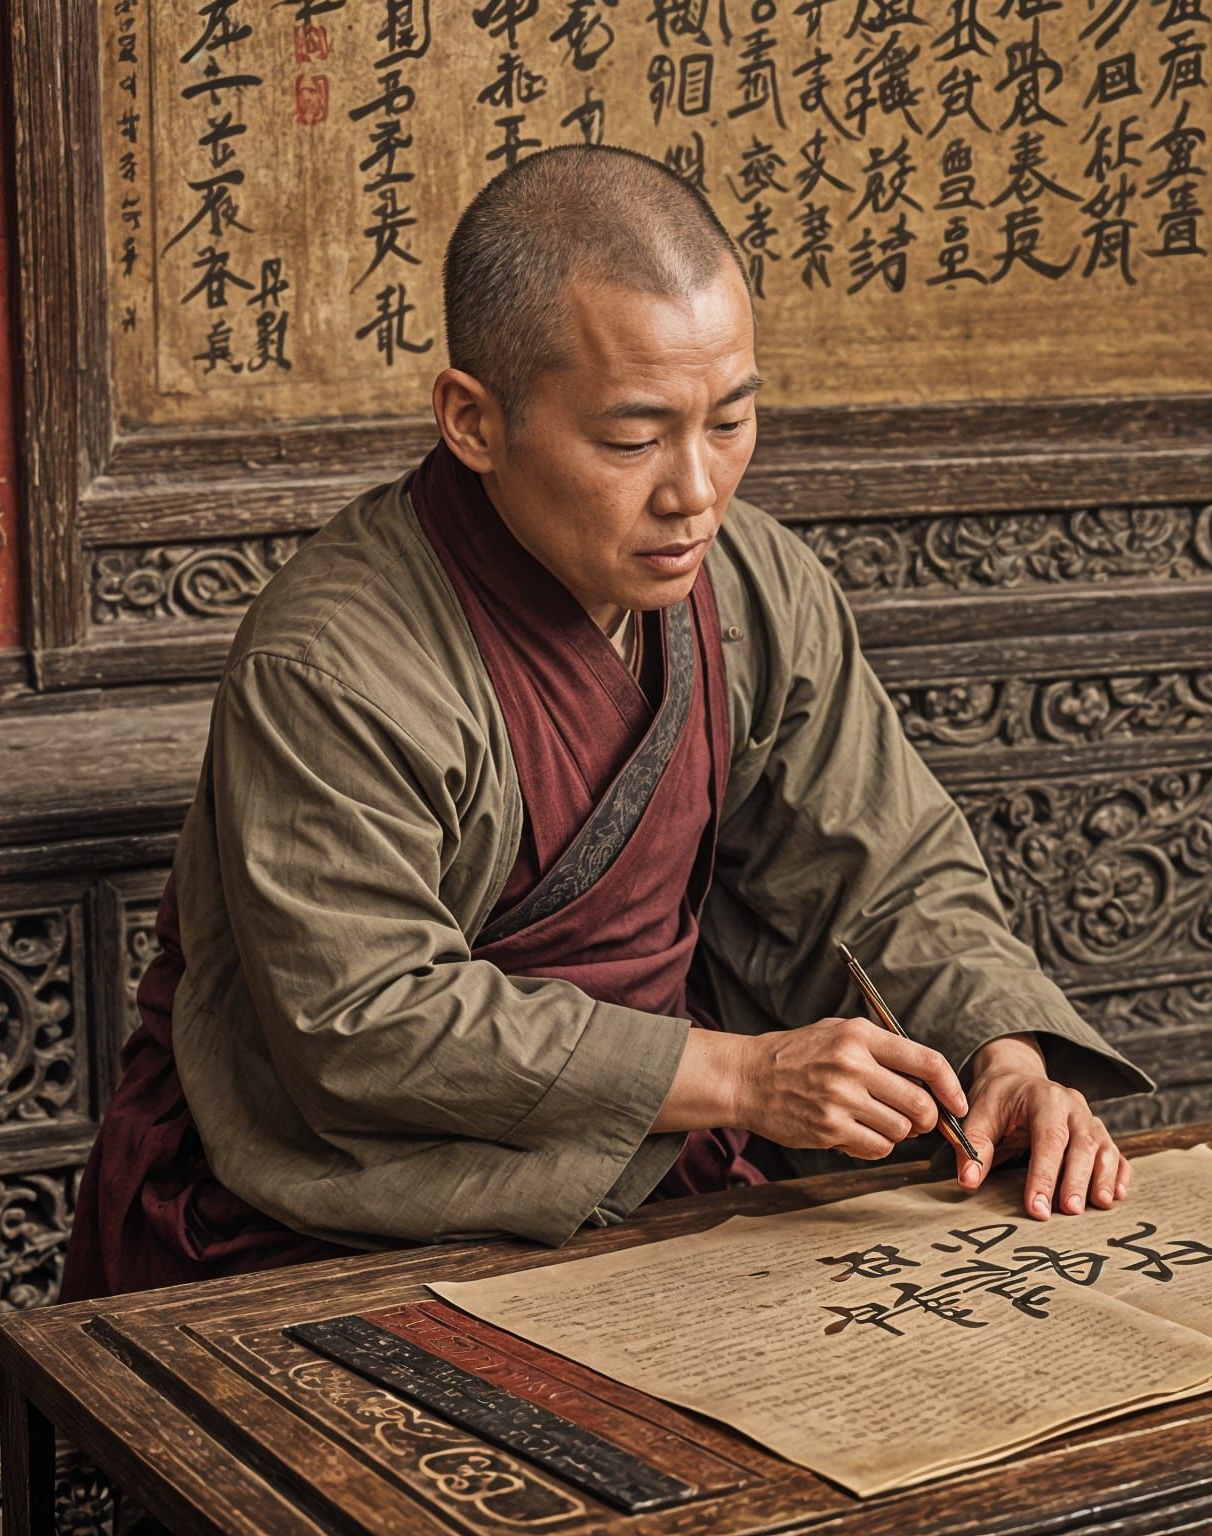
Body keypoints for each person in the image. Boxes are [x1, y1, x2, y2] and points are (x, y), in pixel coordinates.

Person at [60, 144, 1156, 1303]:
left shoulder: (757, 586)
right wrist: (740, 1082)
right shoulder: (335, 661)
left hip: (639, 1170)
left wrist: (1005, 1053)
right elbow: (364, 1020)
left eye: (729, 422)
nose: (696, 491)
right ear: (473, 421)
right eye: (633, 441)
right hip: (333, 1212)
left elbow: (881, 870)